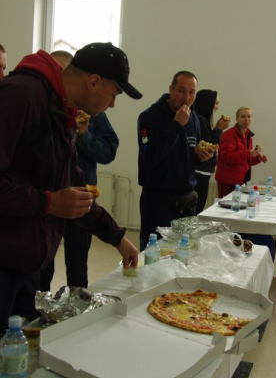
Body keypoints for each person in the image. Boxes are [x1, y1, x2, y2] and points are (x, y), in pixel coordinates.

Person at [0, 42, 142, 333]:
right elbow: (53, 196)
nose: (112, 105)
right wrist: (49, 202)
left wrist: (117, 237)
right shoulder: (21, 96)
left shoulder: (64, 110)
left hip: (28, 266)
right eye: (114, 94)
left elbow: (73, 186)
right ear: (93, 82)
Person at [40, 50, 120, 290]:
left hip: (81, 198)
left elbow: (108, 152)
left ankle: (78, 305)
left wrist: (84, 135)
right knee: (43, 265)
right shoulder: (40, 105)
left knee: (77, 264)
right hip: (47, 202)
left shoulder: (92, 111)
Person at [137, 71, 214, 251]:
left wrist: (200, 158)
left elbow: (189, 157)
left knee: (184, 253)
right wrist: (176, 125)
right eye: (181, 90)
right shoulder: (148, 117)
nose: (186, 97)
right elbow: (150, 156)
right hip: (158, 200)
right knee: (154, 254)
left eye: (191, 92)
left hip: (187, 200)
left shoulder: (193, 119)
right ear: (171, 90)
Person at [215, 106, 267, 198]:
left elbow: (245, 160)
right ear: (237, 118)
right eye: (243, 116)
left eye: (249, 116)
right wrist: (248, 153)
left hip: (242, 182)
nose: (246, 119)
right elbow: (227, 157)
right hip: (228, 182)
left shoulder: (248, 136)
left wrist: (257, 158)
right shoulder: (229, 135)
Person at [193, 89, 230, 214]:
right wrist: (219, 130)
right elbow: (209, 146)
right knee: (197, 210)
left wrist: (216, 129)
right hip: (199, 170)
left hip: (203, 171)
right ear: (207, 103)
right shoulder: (200, 119)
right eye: (215, 103)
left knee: (198, 208)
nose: (217, 107)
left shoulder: (202, 119)